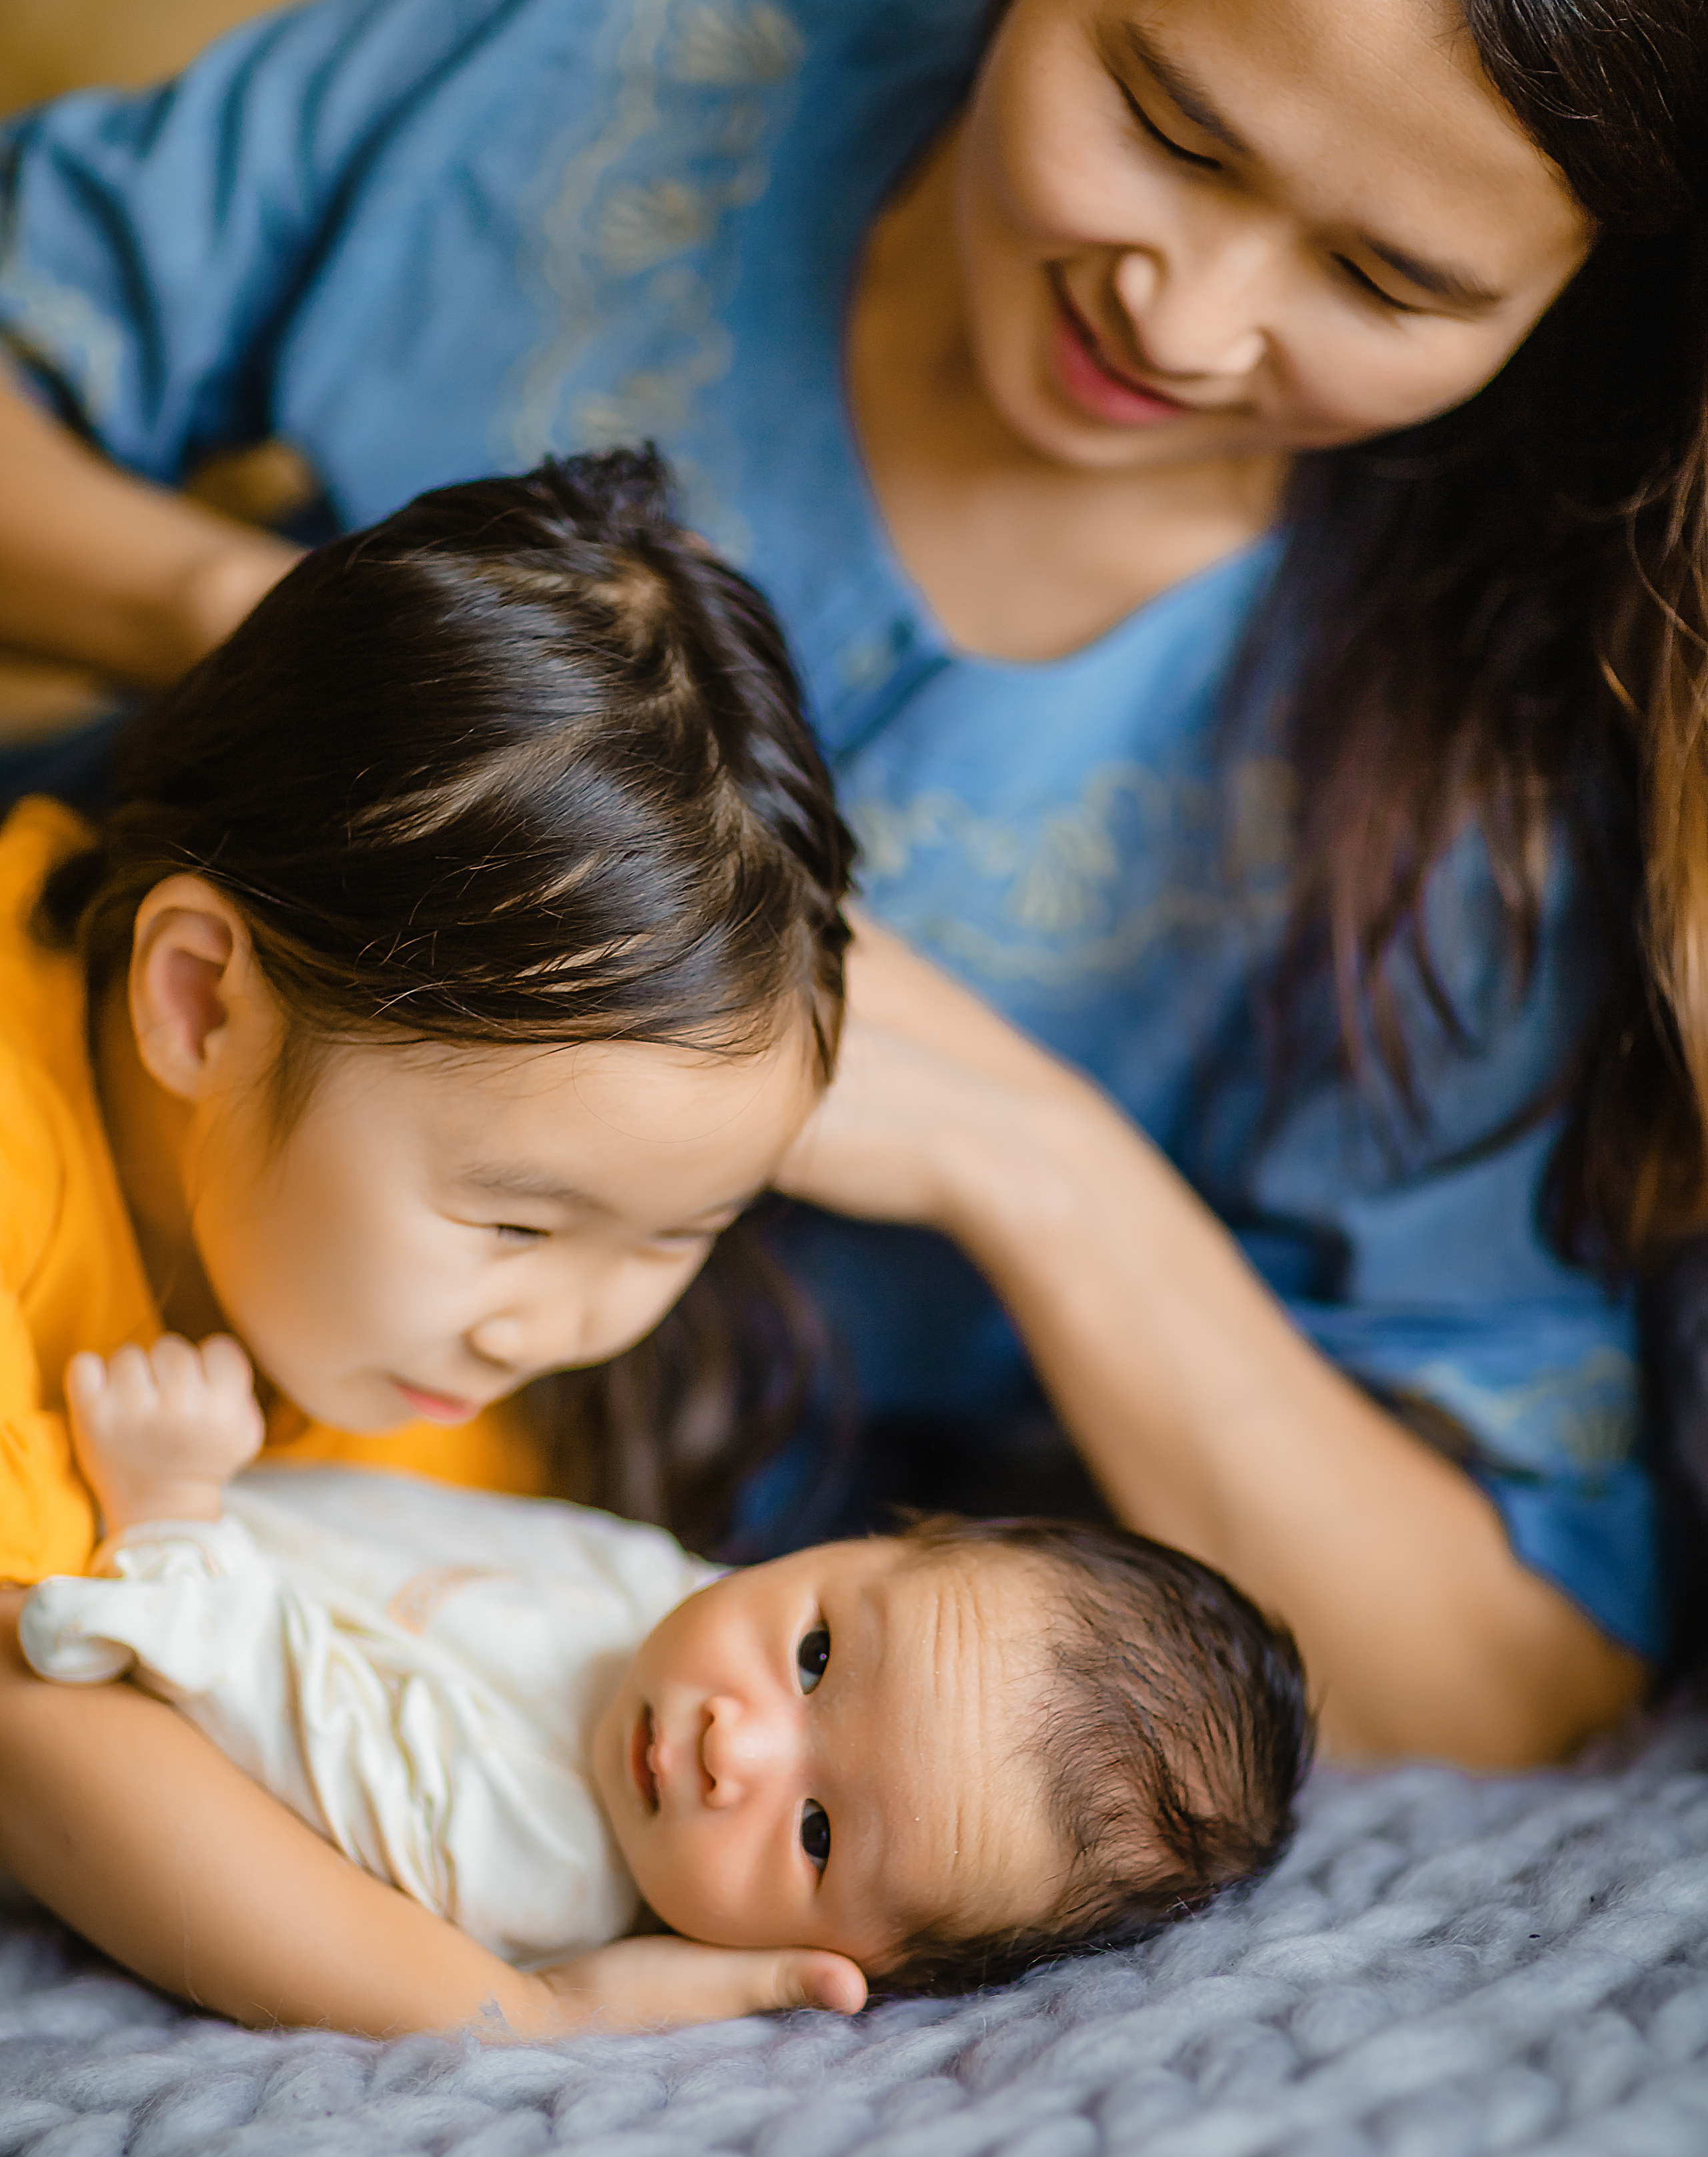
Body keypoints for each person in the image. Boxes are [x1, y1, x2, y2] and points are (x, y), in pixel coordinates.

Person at [0, 0, 1702, 1769]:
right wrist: (277, 634)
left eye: (1392, 283)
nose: (1183, 318)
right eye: (1169, 127)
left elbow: (1520, 1685)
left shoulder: (1481, 787)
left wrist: (1036, 1167)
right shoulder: (608, 68)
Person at [0, 444, 889, 2030]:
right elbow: (37, 1741)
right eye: (516, 1219)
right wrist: (510, 2018)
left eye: (677, 1233)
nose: (556, 1327)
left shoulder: (420, 1372)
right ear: (201, 1000)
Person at [13, 1331, 1309, 2036]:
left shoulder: (536, 1861)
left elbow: (286, 1715)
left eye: (813, 1834)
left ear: (845, 1957)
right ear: (861, 1541)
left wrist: (174, 1522)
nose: (732, 1748)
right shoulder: (666, 1594)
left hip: (106, 1579)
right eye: (814, 1656)